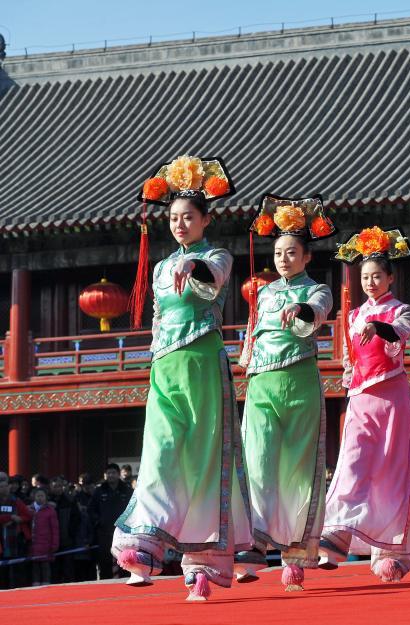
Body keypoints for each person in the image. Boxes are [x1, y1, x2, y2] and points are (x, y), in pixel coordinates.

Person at [113, 155, 252, 600]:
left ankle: (203, 567)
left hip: (202, 363)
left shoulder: (217, 257)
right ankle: (141, 548)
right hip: (166, 367)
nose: (178, 224)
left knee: (204, 458)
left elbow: (212, 281)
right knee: (159, 453)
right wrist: (153, 359)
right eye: (173, 218)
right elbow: (157, 318)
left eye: (187, 217)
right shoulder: (159, 268)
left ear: (205, 219)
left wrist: (194, 267)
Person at [236, 196, 334, 591]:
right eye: (278, 252)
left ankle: (296, 554)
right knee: (256, 463)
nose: (283, 258)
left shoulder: (318, 290)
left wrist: (304, 313)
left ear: (306, 256)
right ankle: (253, 545)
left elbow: (318, 313)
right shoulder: (263, 292)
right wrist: (245, 363)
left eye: (291, 252)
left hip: (299, 383)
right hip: (261, 384)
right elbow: (253, 333)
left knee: (298, 470)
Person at [319, 226, 410, 582]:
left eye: (377, 276)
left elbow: (401, 333)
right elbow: (351, 359)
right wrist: (350, 377)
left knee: (390, 471)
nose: (370, 282)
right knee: (352, 461)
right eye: (365, 276)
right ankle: (337, 533)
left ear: (390, 277)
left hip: (392, 395)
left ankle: (391, 552)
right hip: (361, 396)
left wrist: (379, 329)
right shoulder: (352, 316)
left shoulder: (402, 310)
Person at [90, 464, 133, 580]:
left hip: (123, 533)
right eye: (108, 473)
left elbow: (134, 509)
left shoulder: (127, 490)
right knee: (105, 562)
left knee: (125, 561)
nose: (111, 475)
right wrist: (98, 522)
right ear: (105, 475)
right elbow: (92, 510)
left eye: (113, 473)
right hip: (104, 533)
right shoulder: (98, 491)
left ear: (118, 474)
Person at [0, 476, 32, 589]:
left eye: (5, 486)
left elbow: (27, 515)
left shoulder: (16, 501)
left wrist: (19, 519)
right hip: (1, 541)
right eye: (1, 487)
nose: (3, 489)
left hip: (15, 539)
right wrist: (11, 517)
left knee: (17, 568)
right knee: (2, 570)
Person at [49, 476, 80, 583]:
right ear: (50, 488)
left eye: (59, 486)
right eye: (54, 487)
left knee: (68, 569)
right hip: (51, 542)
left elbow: (76, 519)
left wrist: (71, 533)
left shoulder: (69, 501)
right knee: (54, 571)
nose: (57, 489)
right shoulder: (46, 501)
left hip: (67, 540)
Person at [29, 488, 59, 586]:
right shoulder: (29, 509)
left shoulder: (50, 511)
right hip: (33, 545)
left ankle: (46, 587)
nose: (40, 498)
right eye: (38, 496)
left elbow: (55, 529)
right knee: (35, 568)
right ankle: (35, 587)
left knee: (45, 568)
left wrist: (55, 544)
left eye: (42, 496)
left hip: (46, 545)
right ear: (34, 497)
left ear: (46, 497)